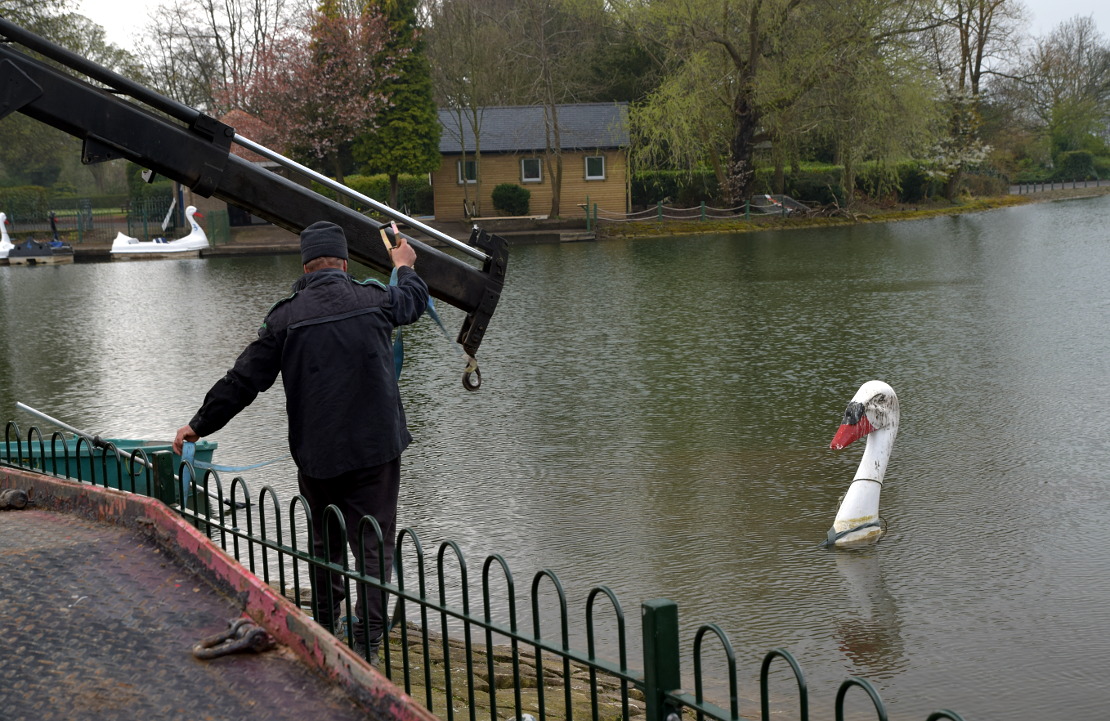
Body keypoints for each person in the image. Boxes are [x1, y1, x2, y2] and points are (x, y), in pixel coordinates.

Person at [173, 220, 427, 664]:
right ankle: (367, 642)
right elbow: (412, 301)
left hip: (318, 457)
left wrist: (199, 425)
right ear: (345, 263)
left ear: (305, 266)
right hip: (374, 453)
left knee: (324, 543)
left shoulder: (285, 318)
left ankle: (324, 629)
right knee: (372, 544)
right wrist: (404, 266)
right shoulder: (375, 299)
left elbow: (243, 380)